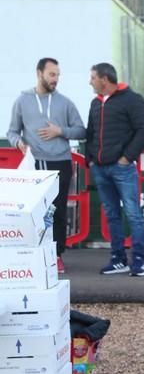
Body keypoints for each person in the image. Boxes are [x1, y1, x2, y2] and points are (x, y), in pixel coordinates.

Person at [5, 57, 86, 274]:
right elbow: (12, 131)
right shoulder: (22, 101)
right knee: (34, 212)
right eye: (52, 74)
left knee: (56, 210)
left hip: (60, 162)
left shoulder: (66, 103)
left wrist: (61, 131)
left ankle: (57, 255)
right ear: (39, 73)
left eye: (58, 75)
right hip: (34, 164)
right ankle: (32, 256)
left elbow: (81, 130)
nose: (56, 79)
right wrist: (18, 143)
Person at [85, 62, 144, 277]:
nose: (90, 82)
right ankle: (118, 259)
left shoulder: (132, 100)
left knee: (133, 214)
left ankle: (139, 261)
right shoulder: (95, 104)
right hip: (100, 169)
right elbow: (91, 133)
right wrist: (91, 160)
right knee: (112, 215)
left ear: (104, 79)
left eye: (93, 78)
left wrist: (126, 158)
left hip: (122, 168)